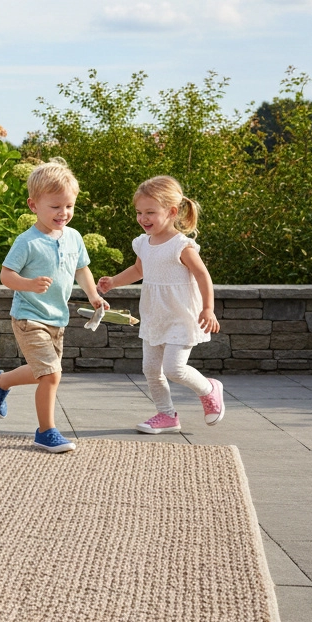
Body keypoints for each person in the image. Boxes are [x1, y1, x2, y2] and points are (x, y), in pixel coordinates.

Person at [0, 160, 108, 453]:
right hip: (29, 317)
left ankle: (0, 381)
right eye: (55, 206)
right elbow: (6, 275)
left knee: (41, 371)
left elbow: (82, 269)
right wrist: (29, 284)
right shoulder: (27, 242)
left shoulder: (74, 237)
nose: (63, 212)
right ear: (33, 205)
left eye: (69, 206)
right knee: (51, 375)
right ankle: (45, 431)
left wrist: (93, 295)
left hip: (57, 319)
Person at [96, 175, 224, 433]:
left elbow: (203, 276)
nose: (143, 218)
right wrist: (114, 282)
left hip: (181, 317)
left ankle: (209, 388)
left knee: (174, 369)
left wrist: (208, 308)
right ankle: (166, 415)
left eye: (150, 212)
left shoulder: (181, 246)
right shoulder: (143, 243)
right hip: (155, 316)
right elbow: (138, 270)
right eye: (139, 212)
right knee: (151, 370)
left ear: (172, 212)